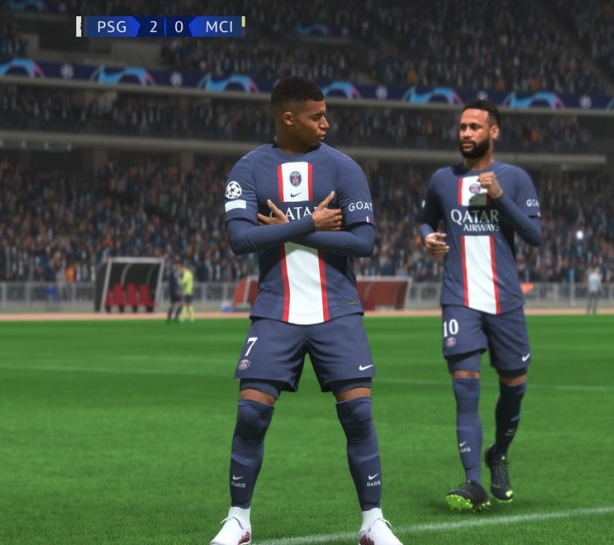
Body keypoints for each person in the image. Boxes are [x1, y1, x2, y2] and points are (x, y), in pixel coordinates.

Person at [211, 76, 402, 545]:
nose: (326, 122)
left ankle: (373, 521)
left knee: (358, 416)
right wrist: (312, 222)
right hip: (276, 308)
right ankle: (238, 520)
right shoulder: (248, 169)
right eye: (316, 116)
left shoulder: (344, 168)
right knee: (251, 415)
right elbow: (240, 239)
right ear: (288, 118)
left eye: (325, 114)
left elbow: (363, 241)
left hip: (337, 308)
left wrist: (297, 228)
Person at [419, 99, 542, 512]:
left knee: (514, 387)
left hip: (505, 301)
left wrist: (501, 198)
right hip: (459, 299)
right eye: (462, 127)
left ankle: (498, 454)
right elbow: (426, 218)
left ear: (494, 132)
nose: (466, 133)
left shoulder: (515, 178)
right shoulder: (442, 180)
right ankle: (473, 481)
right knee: (465, 387)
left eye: (474, 126)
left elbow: (534, 236)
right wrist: (427, 237)